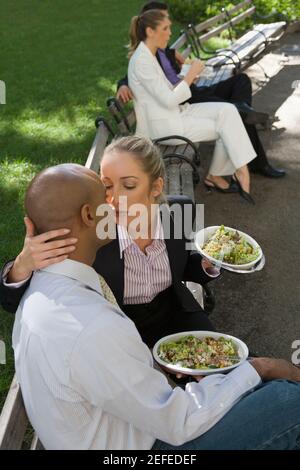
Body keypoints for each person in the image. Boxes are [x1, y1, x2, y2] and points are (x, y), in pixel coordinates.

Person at [12, 162, 300, 450]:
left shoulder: (42, 287)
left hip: (129, 415)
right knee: (287, 400)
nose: (114, 204)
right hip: (150, 442)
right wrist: (261, 368)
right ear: (89, 215)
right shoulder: (90, 325)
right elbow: (179, 421)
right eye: (105, 197)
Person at [0, 137, 218, 349]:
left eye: (129, 185)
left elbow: (183, 266)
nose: (113, 199)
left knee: (227, 368)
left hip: (176, 312)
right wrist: (22, 265)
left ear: (156, 187)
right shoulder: (92, 232)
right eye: (106, 186)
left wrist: (208, 264)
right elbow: (10, 301)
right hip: (118, 328)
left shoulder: (180, 210)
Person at [117, 1, 285, 179]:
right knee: (233, 113)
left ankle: (243, 111)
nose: (168, 28)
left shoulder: (165, 51)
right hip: (186, 100)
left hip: (196, 90)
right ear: (150, 27)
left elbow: (169, 74)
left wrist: (183, 65)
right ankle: (256, 156)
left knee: (241, 81)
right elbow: (137, 75)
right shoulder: (146, 54)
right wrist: (122, 84)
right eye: (164, 22)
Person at [128, 9, 257, 202]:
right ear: (150, 31)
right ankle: (235, 172)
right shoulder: (141, 61)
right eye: (165, 28)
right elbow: (169, 99)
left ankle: (238, 169)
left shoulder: (149, 54)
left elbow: (166, 91)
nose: (170, 33)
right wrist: (189, 76)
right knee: (227, 128)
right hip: (165, 126)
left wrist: (190, 74)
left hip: (176, 113)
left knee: (228, 111)